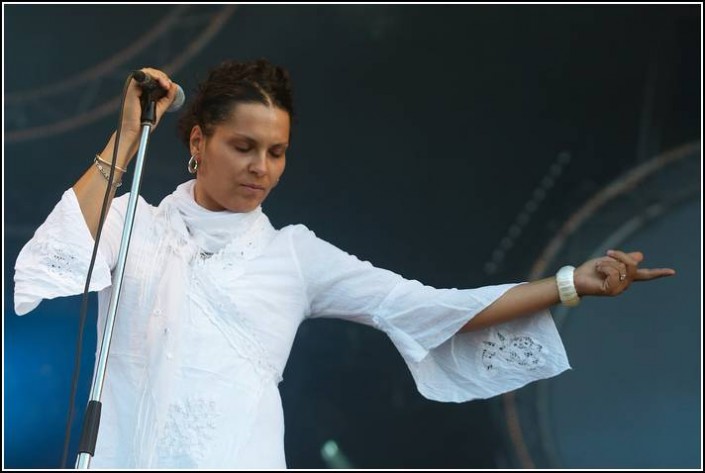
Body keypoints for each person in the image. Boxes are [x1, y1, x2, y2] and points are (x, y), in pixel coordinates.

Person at [13, 59, 676, 469]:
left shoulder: (293, 254)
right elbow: (55, 256)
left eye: (275, 152)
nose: (259, 168)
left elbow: (429, 306)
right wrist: (128, 132)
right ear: (197, 140)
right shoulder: (134, 226)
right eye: (243, 146)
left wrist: (568, 283)